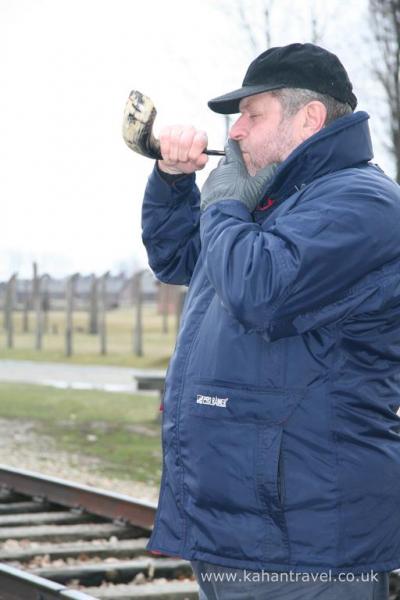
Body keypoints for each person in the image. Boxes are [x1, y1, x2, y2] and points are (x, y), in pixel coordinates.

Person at [140, 43, 399, 599]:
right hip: (242, 524)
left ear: (310, 118)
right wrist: (172, 180)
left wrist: (226, 203)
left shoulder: (363, 204)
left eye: (252, 115)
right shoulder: (272, 200)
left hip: (309, 537)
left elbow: (261, 290)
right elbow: (179, 258)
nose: (234, 133)